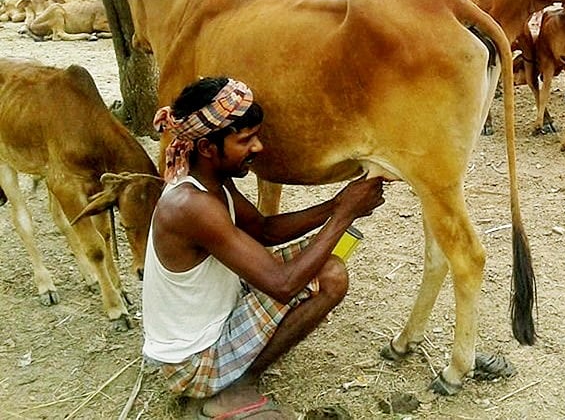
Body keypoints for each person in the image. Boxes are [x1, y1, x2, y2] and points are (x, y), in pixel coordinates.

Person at [142, 76, 386, 419]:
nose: (258, 148)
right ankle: (234, 386)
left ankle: (235, 375)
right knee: (331, 275)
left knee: (320, 263)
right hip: (193, 365)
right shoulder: (191, 205)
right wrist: (345, 215)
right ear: (208, 148)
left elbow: (264, 230)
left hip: (212, 320)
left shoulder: (210, 182)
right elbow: (282, 285)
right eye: (245, 140)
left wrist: (336, 203)